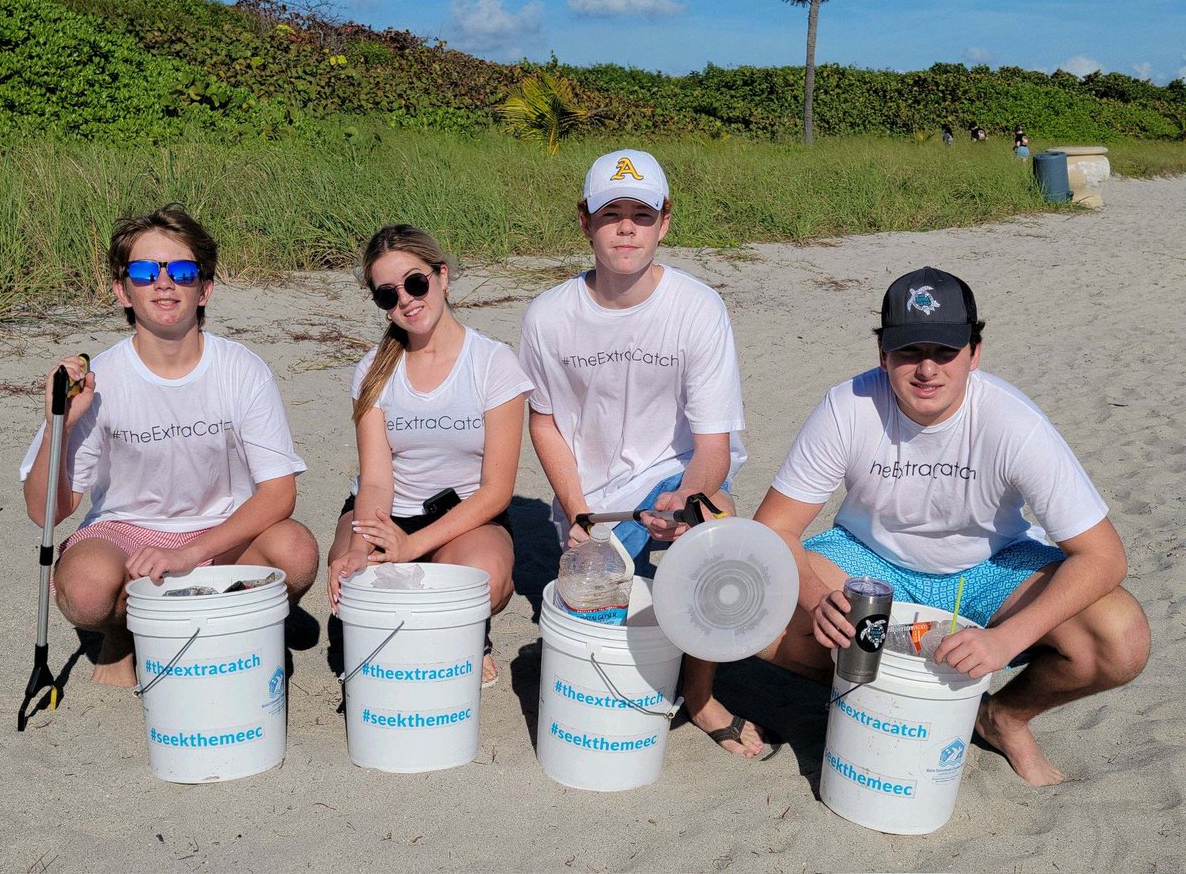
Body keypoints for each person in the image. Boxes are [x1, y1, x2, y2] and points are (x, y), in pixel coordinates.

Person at [735, 266, 1149, 786]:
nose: (926, 369)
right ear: (882, 353)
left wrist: (1004, 640)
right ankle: (871, 700)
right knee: (748, 600)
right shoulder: (849, 406)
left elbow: (1105, 555)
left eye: (945, 351)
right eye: (908, 352)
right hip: (868, 560)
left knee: (1121, 638)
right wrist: (818, 598)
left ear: (975, 353)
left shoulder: (1012, 422)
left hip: (989, 567)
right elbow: (773, 529)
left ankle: (1002, 717)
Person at [20, 205, 318, 687]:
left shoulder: (242, 369)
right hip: (127, 531)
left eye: (181, 270)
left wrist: (190, 553)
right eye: (144, 271)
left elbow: (279, 492)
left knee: (296, 551)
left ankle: (236, 627)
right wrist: (60, 424)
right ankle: (122, 637)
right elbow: (45, 513)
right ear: (122, 289)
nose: (164, 283)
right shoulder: (100, 380)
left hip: (223, 530)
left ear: (205, 289)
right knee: (86, 591)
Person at [518, 149, 754, 755]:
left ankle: (700, 696)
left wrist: (684, 498)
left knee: (715, 523)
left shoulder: (697, 307)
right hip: (593, 504)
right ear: (585, 222)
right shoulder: (547, 316)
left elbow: (713, 443)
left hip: (673, 478)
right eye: (610, 213)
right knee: (602, 622)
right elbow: (544, 424)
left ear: (665, 222)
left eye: (641, 214)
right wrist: (576, 513)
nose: (626, 228)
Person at [326, 225, 531, 688]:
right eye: (387, 295)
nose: (407, 301)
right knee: (351, 581)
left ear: (442, 277)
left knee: (485, 579)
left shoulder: (493, 364)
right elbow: (376, 480)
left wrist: (411, 548)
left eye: (416, 282)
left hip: (464, 514)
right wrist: (362, 548)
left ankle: (470, 635)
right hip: (385, 510)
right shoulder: (373, 373)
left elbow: (496, 491)